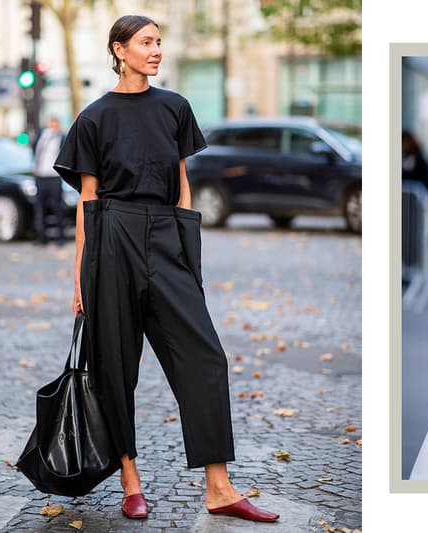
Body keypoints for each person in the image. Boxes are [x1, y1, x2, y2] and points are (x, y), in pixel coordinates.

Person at [52, 15, 278, 522]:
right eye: (146, 42)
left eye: (159, 43)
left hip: (166, 237)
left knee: (205, 357)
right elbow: (87, 202)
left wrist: (185, 256)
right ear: (120, 49)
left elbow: (182, 186)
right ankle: (131, 482)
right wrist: (79, 277)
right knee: (115, 365)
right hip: (111, 239)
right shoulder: (93, 119)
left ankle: (218, 486)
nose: (156, 51)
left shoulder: (175, 108)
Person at [33, 116, 67, 245]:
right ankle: (41, 238)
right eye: (51, 124)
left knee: (58, 208)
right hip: (40, 177)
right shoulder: (41, 137)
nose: (53, 127)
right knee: (40, 209)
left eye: (55, 124)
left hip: (54, 177)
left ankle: (60, 237)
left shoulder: (61, 138)